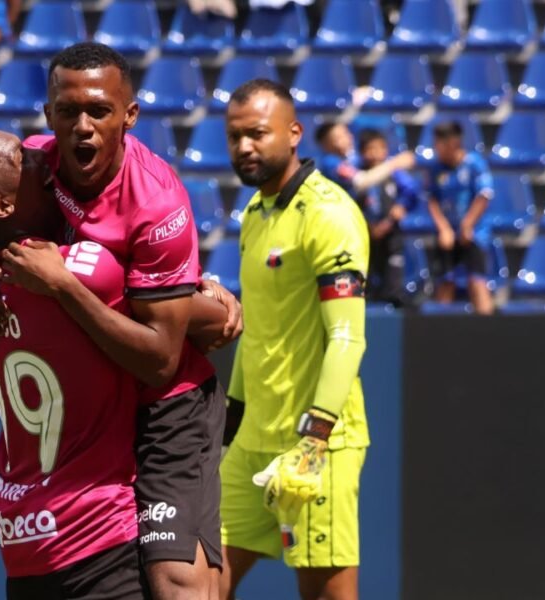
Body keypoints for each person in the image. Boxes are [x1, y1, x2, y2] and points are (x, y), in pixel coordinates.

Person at [0, 42, 241, 600]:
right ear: (48, 114)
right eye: (67, 111)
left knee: (174, 580)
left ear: (129, 115)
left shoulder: (158, 203)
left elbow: (160, 359)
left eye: (99, 111)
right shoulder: (27, 166)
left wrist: (64, 285)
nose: (82, 127)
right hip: (100, 399)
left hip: (167, 399)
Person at [220, 79, 370, 600]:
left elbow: (348, 338)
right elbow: (256, 329)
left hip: (316, 445)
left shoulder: (330, 214)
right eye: (235, 136)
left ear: (294, 133)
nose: (245, 147)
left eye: (258, 134)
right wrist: (228, 428)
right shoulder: (253, 216)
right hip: (252, 443)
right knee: (193, 582)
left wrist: (315, 438)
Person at [426, 120, 495, 315]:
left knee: (477, 280)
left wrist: (467, 225)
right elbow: (432, 200)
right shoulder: (436, 169)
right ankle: (440, 333)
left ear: (453, 143)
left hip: (474, 234)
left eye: (439, 144)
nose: (436, 149)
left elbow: (484, 195)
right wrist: (444, 229)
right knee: (444, 281)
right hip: (447, 235)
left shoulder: (474, 164)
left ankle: (487, 329)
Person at [356, 128, 421, 306]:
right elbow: (353, 202)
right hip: (366, 234)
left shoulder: (395, 175)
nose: (376, 153)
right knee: (365, 274)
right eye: (370, 149)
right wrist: (369, 225)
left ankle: (393, 298)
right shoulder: (360, 176)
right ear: (362, 152)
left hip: (391, 232)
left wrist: (401, 208)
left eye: (380, 148)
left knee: (392, 272)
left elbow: (411, 192)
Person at [315, 122, 416, 203]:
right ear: (326, 144)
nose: (348, 138)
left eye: (346, 133)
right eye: (339, 137)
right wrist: (394, 164)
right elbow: (361, 181)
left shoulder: (352, 160)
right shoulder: (330, 162)